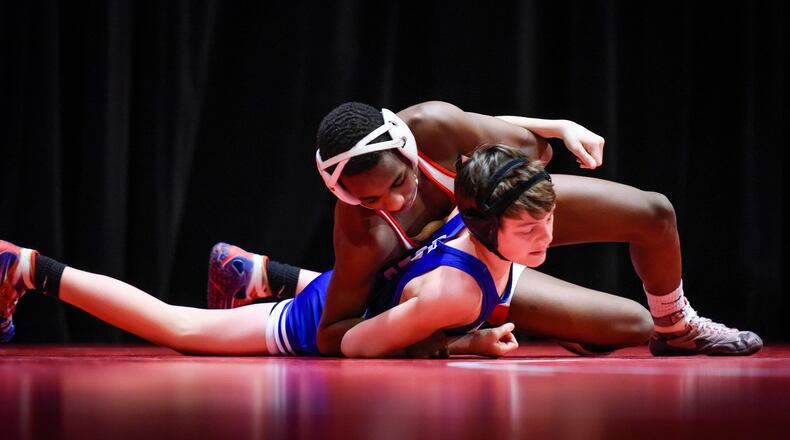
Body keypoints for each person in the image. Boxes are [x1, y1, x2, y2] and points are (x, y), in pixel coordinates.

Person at [209, 101, 762, 356]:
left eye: (401, 182)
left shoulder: (433, 126)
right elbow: (337, 334)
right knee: (622, 325)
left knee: (652, 217)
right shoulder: (359, 232)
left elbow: (527, 147)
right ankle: (283, 280)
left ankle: (677, 325)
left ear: (408, 147)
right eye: (371, 198)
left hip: (495, 233)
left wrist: (560, 126)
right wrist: (450, 339)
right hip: (456, 281)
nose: (397, 200)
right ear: (343, 194)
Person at [0, 146, 553, 359]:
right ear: (483, 218)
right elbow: (357, 347)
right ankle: (27, 268)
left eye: (547, 221)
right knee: (177, 328)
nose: (546, 238)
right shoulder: (454, 291)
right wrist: (460, 344)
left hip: (358, 295)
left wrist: (555, 128)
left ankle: (256, 273)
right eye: (528, 230)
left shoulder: (474, 194)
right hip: (312, 325)